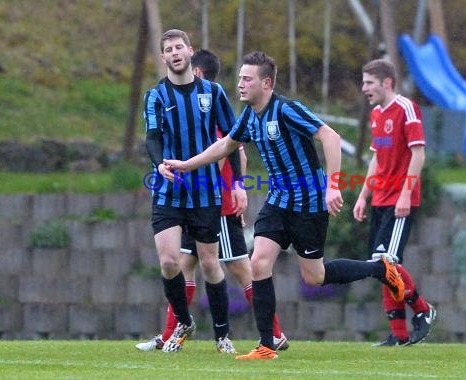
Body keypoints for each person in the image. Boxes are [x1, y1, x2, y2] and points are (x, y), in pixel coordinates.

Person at [163, 51, 405, 360]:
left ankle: (381, 268)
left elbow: (330, 137)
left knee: (314, 277)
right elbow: (225, 146)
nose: (239, 84)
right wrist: (187, 165)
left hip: (308, 202)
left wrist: (333, 185)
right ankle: (267, 344)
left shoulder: (288, 110)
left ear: (266, 83)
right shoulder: (250, 116)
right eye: (239, 78)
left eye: (246, 79)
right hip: (278, 201)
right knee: (259, 263)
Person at [136, 49, 288, 352]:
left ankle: (273, 333)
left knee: (238, 267)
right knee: (185, 264)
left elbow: (235, 152)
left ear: (199, 74)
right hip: (188, 203)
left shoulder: (210, 114)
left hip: (215, 205)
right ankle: (172, 333)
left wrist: (236, 188)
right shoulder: (185, 109)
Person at [143, 29, 246, 354]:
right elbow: (153, 137)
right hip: (168, 189)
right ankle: (185, 322)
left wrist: (239, 184)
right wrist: (159, 163)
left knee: (210, 264)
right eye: (168, 49)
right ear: (163, 58)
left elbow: (232, 140)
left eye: (178, 47)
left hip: (205, 191)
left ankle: (222, 334)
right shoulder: (156, 96)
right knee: (169, 261)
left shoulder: (213, 93)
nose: (174, 53)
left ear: (189, 51)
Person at [353, 59, 437, 346]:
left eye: (369, 83)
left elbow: (419, 155)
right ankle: (399, 335)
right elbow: (377, 158)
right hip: (380, 199)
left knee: (388, 262)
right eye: (363, 82)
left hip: (400, 199)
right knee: (380, 265)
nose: (364, 88)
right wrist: (364, 195)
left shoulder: (406, 108)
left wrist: (404, 193)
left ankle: (423, 311)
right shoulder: (377, 114)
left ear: (387, 82)